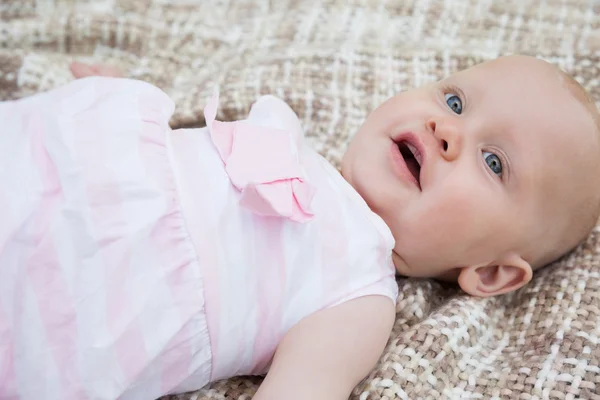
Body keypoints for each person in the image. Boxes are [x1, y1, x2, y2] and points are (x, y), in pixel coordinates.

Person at [1, 55, 599, 400]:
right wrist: (107, 112)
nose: (448, 130)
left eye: (494, 162)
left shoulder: (359, 295)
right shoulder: (297, 147)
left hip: (82, 293)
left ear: (491, 272)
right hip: (56, 162)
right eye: (456, 101)